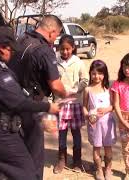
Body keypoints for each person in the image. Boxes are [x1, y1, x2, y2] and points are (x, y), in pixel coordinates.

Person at [0, 26, 61, 180]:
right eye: (11, 49)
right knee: (26, 172)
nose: (13, 53)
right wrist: (48, 107)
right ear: (0, 48)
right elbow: (17, 102)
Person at [8, 15, 67, 179]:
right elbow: (55, 84)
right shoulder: (44, 50)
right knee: (34, 151)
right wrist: (67, 94)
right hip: (32, 106)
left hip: (11, 101)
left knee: (18, 148)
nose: (56, 39)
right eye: (57, 35)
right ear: (52, 31)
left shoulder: (20, 39)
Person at [52, 34, 88, 174]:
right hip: (60, 103)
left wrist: (76, 89)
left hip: (74, 104)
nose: (65, 52)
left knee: (76, 133)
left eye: (68, 49)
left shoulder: (78, 62)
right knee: (61, 133)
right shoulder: (55, 62)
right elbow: (51, 81)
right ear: (59, 48)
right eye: (62, 49)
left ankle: (77, 160)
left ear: (73, 48)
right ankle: (62, 160)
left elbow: (85, 79)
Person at [83, 60, 116, 180]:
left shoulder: (109, 89)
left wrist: (107, 110)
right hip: (94, 124)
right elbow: (84, 107)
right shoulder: (88, 90)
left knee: (108, 147)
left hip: (107, 123)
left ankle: (108, 168)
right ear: (90, 74)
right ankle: (98, 170)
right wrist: (88, 116)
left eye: (100, 73)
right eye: (94, 73)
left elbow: (113, 106)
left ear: (105, 74)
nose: (97, 76)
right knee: (96, 147)